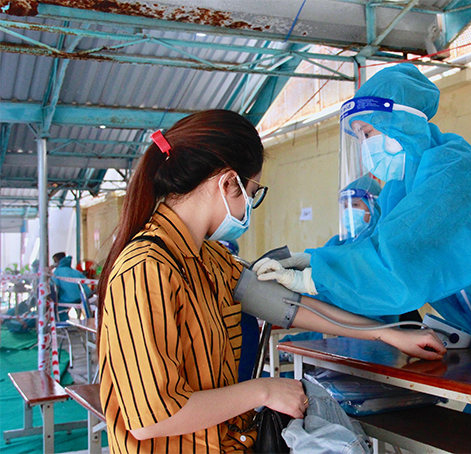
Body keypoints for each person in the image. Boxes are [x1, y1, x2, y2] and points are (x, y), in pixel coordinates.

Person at [96, 109, 445, 454]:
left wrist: (385, 333)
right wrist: (263, 391)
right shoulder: (146, 269)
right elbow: (151, 419)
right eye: (252, 193)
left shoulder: (208, 257)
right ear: (227, 183)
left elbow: (289, 307)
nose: (249, 205)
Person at [256, 64, 471, 345]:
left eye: (367, 132)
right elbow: (371, 244)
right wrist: (311, 261)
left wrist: (315, 277)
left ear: (400, 123)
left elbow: (397, 263)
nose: (365, 147)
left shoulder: (451, 170)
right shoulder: (399, 189)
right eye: (359, 139)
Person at [52, 253, 92, 322]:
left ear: (58, 261)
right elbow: (86, 283)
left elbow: (54, 287)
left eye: (55, 261)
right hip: (81, 298)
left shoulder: (56, 273)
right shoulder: (76, 272)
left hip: (66, 299)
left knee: (57, 309)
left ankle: (63, 323)